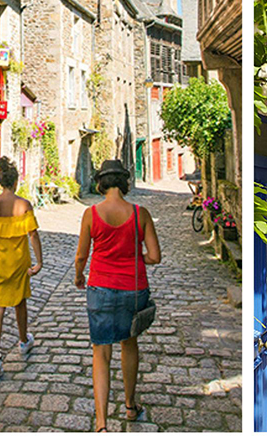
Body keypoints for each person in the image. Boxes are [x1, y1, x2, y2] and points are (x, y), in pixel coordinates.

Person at [75, 160, 161, 433]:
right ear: (125, 182)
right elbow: (155, 256)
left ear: (100, 183)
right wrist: (138, 258)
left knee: (101, 352)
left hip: (99, 287)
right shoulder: (140, 213)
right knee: (129, 344)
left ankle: (101, 424)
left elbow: (81, 255)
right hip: (133, 289)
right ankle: (129, 406)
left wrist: (79, 276)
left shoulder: (91, 214)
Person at [0, 157, 42, 380]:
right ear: (16, 182)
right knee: (19, 301)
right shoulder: (24, 205)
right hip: (18, 261)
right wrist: (39, 261)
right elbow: (33, 234)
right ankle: (23, 341)